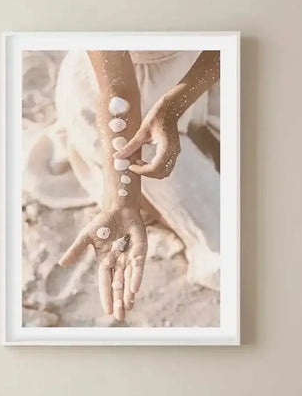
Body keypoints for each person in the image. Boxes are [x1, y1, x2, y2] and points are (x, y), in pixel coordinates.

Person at [28, 49, 221, 321]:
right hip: (117, 108)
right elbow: (118, 92)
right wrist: (122, 201)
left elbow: (223, 47)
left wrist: (172, 106)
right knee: (229, 234)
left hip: (195, 80)